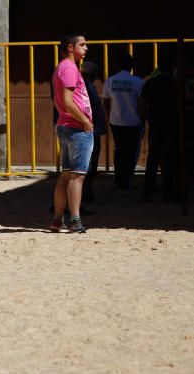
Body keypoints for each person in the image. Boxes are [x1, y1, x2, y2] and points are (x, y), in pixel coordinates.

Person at [51, 33, 93, 233]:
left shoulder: (62, 68)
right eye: (82, 45)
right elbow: (68, 101)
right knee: (77, 176)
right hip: (76, 127)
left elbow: (58, 100)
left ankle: (58, 219)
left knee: (66, 174)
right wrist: (85, 121)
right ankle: (75, 219)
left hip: (66, 125)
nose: (86, 48)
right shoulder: (69, 68)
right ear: (70, 47)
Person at [138, 58, 178, 202]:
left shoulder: (150, 82)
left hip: (155, 123)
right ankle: (168, 193)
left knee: (153, 157)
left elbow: (142, 103)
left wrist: (146, 118)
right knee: (169, 158)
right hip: (171, 123)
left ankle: (147, 192)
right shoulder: (175, 83)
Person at [103, 53, 144, 190]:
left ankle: (119, 177)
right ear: (131, 65)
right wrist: (142, 118)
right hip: (134, 121)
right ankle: (127, 178)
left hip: (116, 121)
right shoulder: (138, 81)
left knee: (119, 149)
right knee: (131, 151)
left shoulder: (110, 81)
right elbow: (140, 103)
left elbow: (106, 102)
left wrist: (108, 117)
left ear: (118, 65)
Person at [80, 61, 107, 206]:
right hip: (90, 130)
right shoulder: (86, 86)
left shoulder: (87, 85)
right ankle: (85, 192)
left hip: (91, 129)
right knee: (89, 163)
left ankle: (87, 191)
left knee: (90, 162)